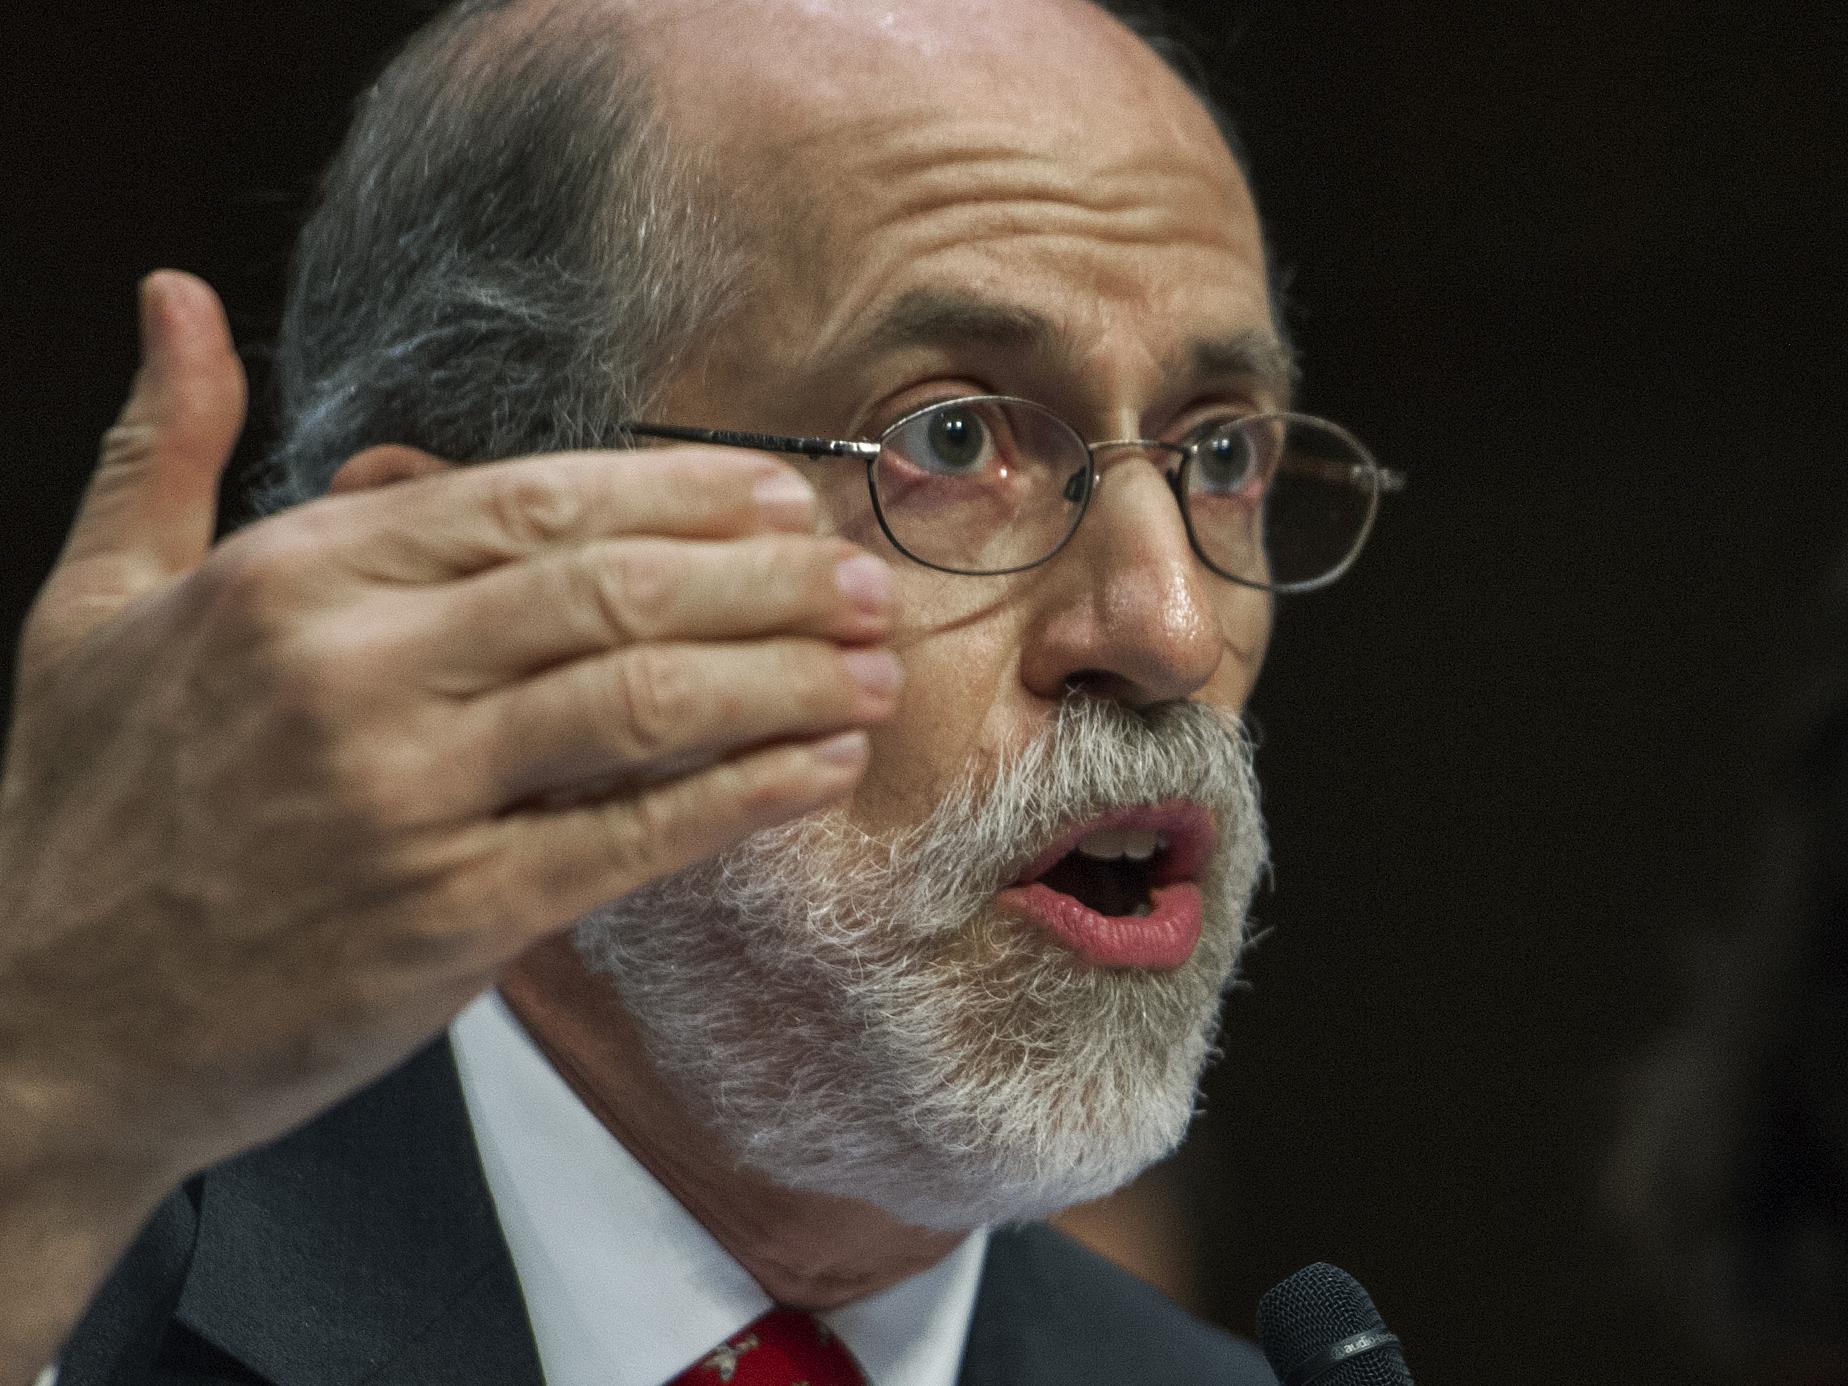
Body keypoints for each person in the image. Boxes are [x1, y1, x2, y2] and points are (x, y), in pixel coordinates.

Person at [0, 0, 1397, 1382]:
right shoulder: (70, 1298)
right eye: (953, 435)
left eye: (1219, 457)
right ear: (458, 585)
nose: (1166, 624)